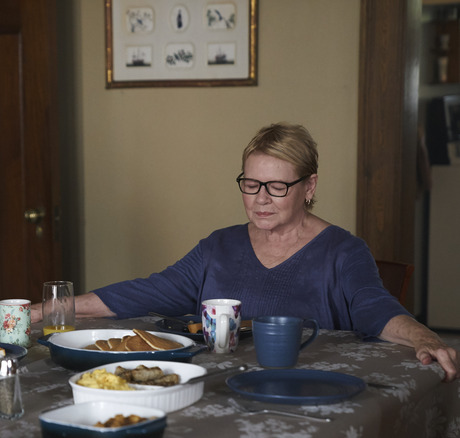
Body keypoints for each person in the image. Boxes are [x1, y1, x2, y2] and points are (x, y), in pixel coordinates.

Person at [30, 122, 458, 382]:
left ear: (309, 187)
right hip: (217, 391)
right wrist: (43, 311)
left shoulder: (344, 251)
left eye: (277, 186)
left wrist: (424, 337)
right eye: (251, 184)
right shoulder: (219, 245)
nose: (261, 199)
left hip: (307, 395)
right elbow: (146, 292)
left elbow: (375, 307)